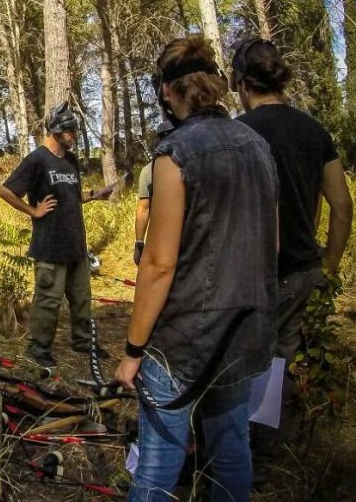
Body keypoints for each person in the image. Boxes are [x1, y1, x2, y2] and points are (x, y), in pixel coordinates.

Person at [116, 35, 278, 502]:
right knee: (231, 450)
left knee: (158, 463)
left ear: (168, 91)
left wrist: (133, 350)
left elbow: (159, 263)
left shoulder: (175, 153)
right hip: (246, 331)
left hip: (185, 339)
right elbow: (273, 243)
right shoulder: (256, 144)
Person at [230, 38, 354, 481]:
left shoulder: (241, 133)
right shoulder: (314, 131)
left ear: (242, 84)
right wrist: (330, 265)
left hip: (249, 271)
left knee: (239, 360)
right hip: (301, 270)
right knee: (276, 362)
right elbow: (342, 206)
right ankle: (260, 454)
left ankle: (234, 453)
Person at [0, 102, 112, 369]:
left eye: (75, 130)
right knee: (48, 300)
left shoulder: (70, 160)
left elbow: (71, 196)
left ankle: (83, 341)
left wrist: (95, 196)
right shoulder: (37, 159)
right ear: (57, 131)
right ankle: (39, 348)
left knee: (82, 297)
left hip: (76, 245)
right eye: (71, 131)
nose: (75, 135)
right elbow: (5, 191)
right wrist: (32, 211)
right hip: (50, 246)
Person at [132, 124, 174, 266]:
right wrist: (139, 243)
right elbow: (144, 208)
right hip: (162, 239)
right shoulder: (148, 171)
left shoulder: (193, 164)